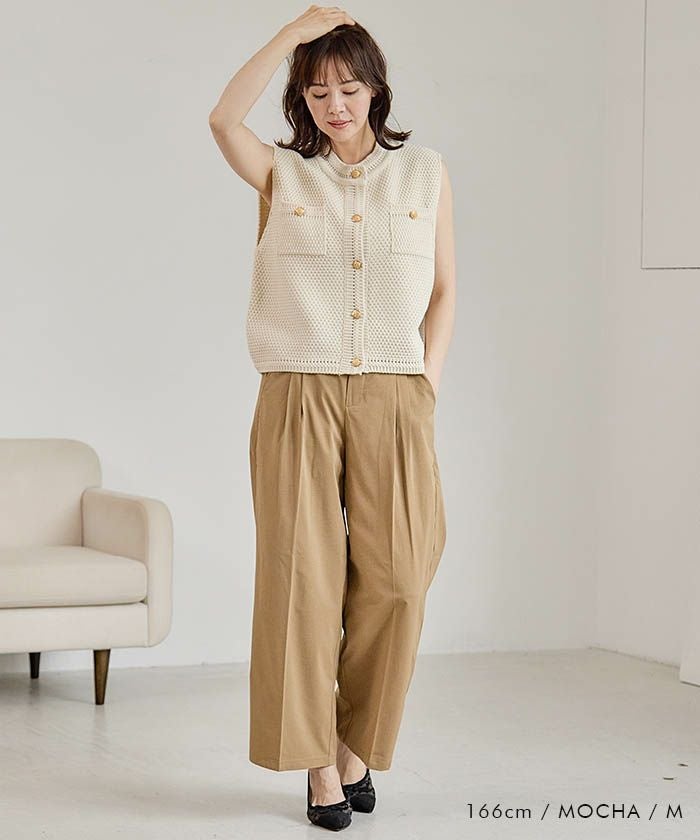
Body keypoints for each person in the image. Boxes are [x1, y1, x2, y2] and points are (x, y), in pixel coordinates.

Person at [209, 4, 454, 830]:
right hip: (298, 396)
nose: (335, 105)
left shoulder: (425, 174)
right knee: (301, 584)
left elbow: (445, 290)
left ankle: (355, 749)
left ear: (376, 89)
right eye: (317, 93)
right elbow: (221, 119)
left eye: (348, 88)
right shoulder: (283, 175)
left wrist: (426, 386)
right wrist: (293, 33)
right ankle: (319, 769)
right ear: (301, 101)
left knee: (400, 580)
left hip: (397, 395)